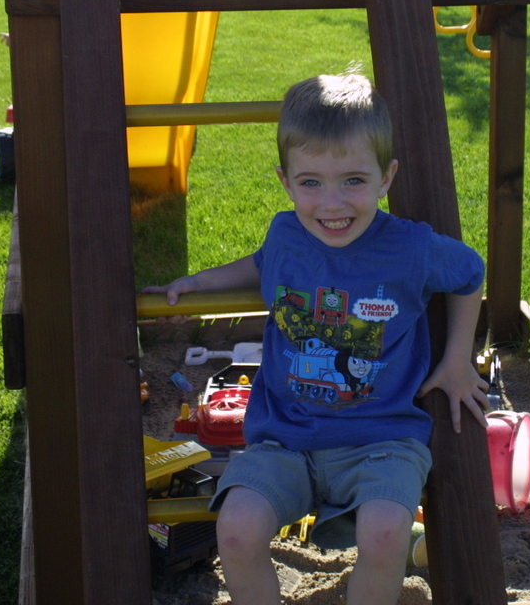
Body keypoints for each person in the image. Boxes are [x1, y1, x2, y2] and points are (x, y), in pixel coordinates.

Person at [145, 72, 490, 605]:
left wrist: (457, 361)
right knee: (235, 528)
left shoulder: (410, 249)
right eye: (311, 183)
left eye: (353, 180)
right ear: (285, 181)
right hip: (284, 437)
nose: (332, 204)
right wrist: (198, 283)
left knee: (386, 532)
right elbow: (260, 264)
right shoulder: (286, 234)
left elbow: (469, 273)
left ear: (386, 177)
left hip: (382, 440)